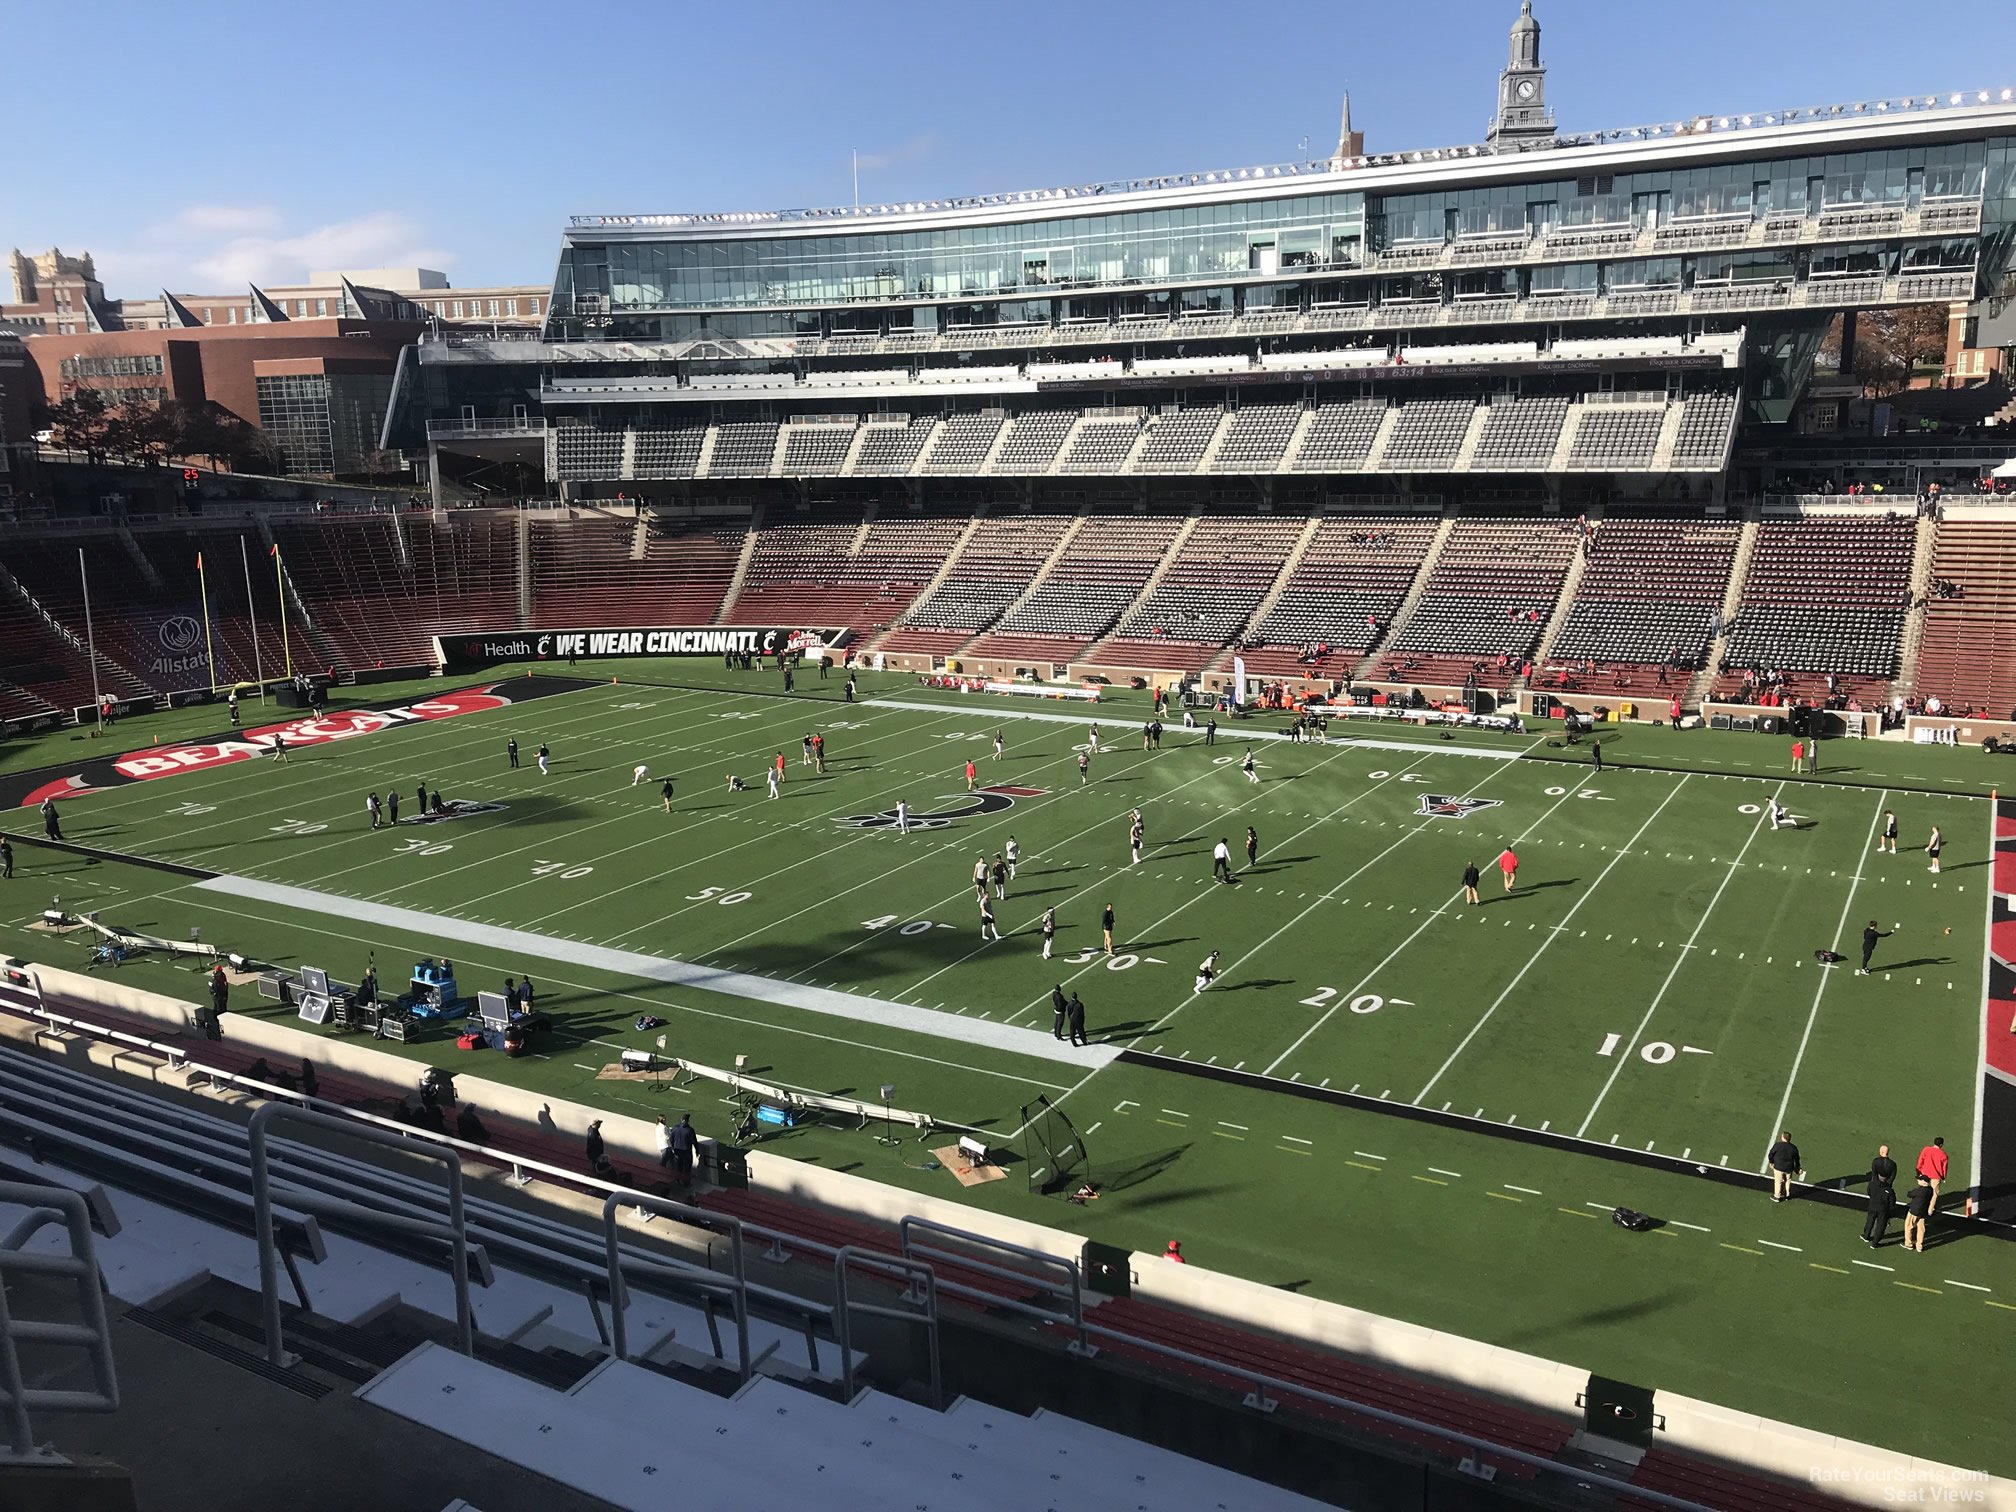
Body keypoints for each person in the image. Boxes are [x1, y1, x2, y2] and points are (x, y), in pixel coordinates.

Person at [1864, 1144, 1898, 1248]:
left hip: (1874, 1197)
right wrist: (1887, 1187)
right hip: (1884, 1199)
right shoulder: (1893, 1164)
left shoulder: (1876, 1162)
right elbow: (1892, 1177)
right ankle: (1875, 1242)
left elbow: (1874, 1176)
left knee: (1870, 1218)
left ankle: (1866, 1235)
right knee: (1881, 1223)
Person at [1766, 1130, 1803, 1202]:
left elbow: (1771, 1154)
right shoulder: (1793, 1148)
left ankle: (1777, 1196)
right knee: (1788, 1181)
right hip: (1789, 1168)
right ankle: (1787, 1195)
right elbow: (1797, 1159)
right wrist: (1797, 1168)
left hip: (1778, 1167)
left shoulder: (1777, 1145)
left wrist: (1771, 1162)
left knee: (1778, 1182)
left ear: (1783, 1137)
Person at [1916, 1136, 1948, 1211]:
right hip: (1936, 1177)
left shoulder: (1926, 1149)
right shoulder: (1943, 1155)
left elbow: (1921, 1160)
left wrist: (1918, 1170)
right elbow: (1944, 1168)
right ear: (1941, 1145)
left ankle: (1920, 1205)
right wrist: (1943, 1177)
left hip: (1924, 1174)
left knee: (1922, 1191)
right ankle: (1930, 1210)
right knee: (1934, 1193)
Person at [1902, 1175, 1933, 1252]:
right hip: (1923, 1212)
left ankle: (1908, 1244)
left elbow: (1910, 1194)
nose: (1918, 1181)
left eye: (1920, 1180)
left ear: (1924, 1182)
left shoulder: (1920, 1191)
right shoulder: (1930, 1190)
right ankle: (1919, 1246)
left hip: (1914, 1211)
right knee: (1921, 1229)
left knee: (1908, 1226)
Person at [669, 1112, 696, 1187]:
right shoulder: (690, 1130)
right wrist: (697, 1150)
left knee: (678, 1167)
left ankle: (677, 1180)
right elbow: (694, 1141)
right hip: (686, 1152)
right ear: (687, 1121)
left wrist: (673, 1148)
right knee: (687, 1168)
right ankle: (686, 1183)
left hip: (677, 1151)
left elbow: (671, 1139)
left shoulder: (675, 1128)